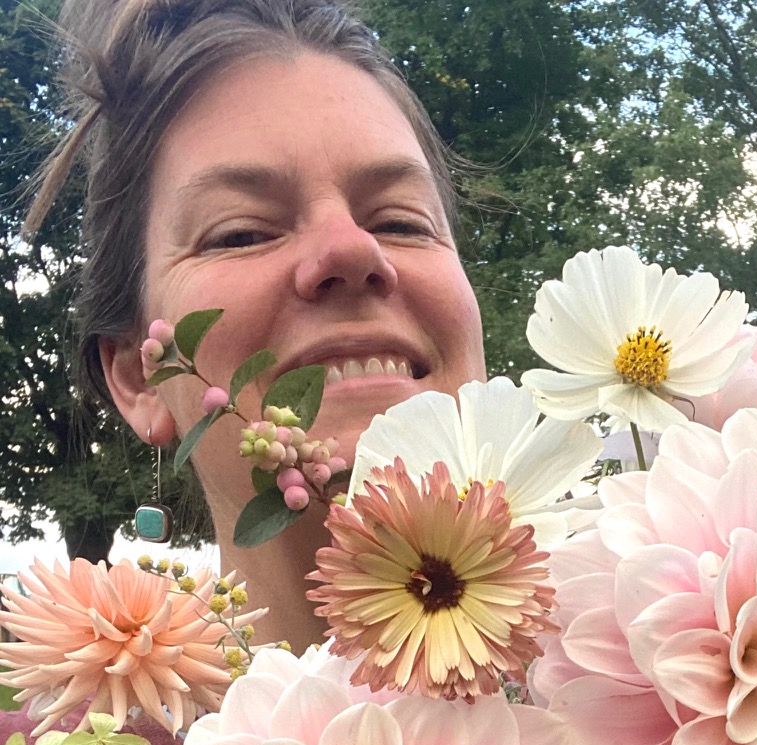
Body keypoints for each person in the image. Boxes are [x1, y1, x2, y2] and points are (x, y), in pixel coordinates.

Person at [28, 0, 488, 650]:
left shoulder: (673, 682)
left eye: (401, 222)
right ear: (139, 376)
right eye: (241, 231)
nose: (354, 250)